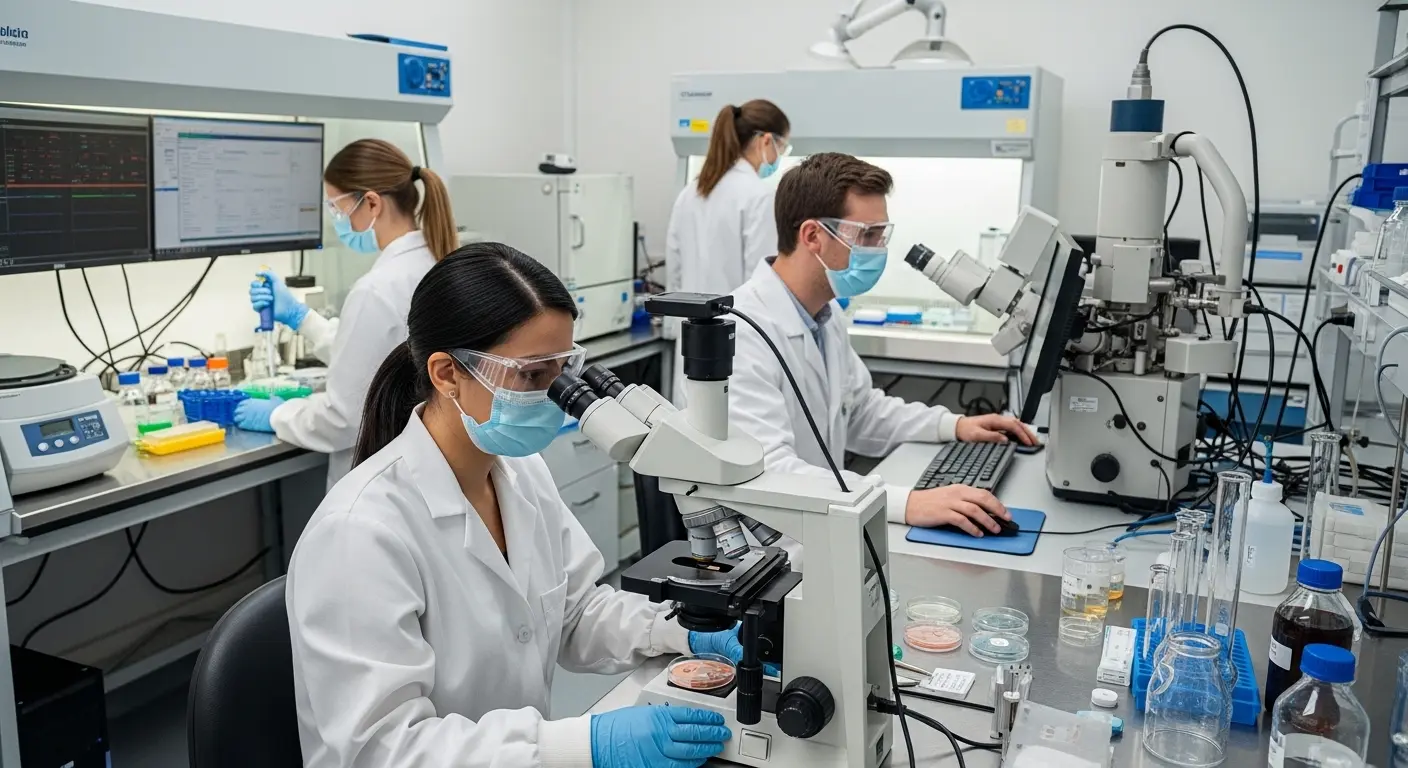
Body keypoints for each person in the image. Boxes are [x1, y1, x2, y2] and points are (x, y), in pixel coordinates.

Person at [287, 243, 743, 768]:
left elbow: (575, 609)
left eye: (562, 370)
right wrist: (586, 745)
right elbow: (381, 749)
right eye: (531, 375)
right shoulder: (358, 533)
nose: (555, 394)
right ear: (447, 373)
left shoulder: (518, 471)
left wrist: (679, 631)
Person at [725, 153, 1037, 538]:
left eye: (881, 235)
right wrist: (908, 503)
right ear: (812, 236)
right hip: (766, 548)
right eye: (867, 235)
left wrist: (953, 425)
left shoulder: (825, 315)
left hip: (822, 524)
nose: (878, 249)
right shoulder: (741, 332)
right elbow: (770, 471)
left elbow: (860, 412)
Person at [234, 139, 459, 488]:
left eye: (338, 209)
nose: (337, 221)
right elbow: (381, 357)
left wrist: (279, 414)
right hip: (428, 468)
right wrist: (300, 318)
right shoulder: (435, 262)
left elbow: (344, 419)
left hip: (388, 480)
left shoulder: (377, 288)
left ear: (371, 203)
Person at [665, 100, 790, 402]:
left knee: (691, 437)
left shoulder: (691, 192)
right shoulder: (758, 195)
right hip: (737, 350)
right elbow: (763, 284)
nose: (780, 156)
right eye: (782, 146)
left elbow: (675, 267)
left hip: (692, 346)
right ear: (765, 140)